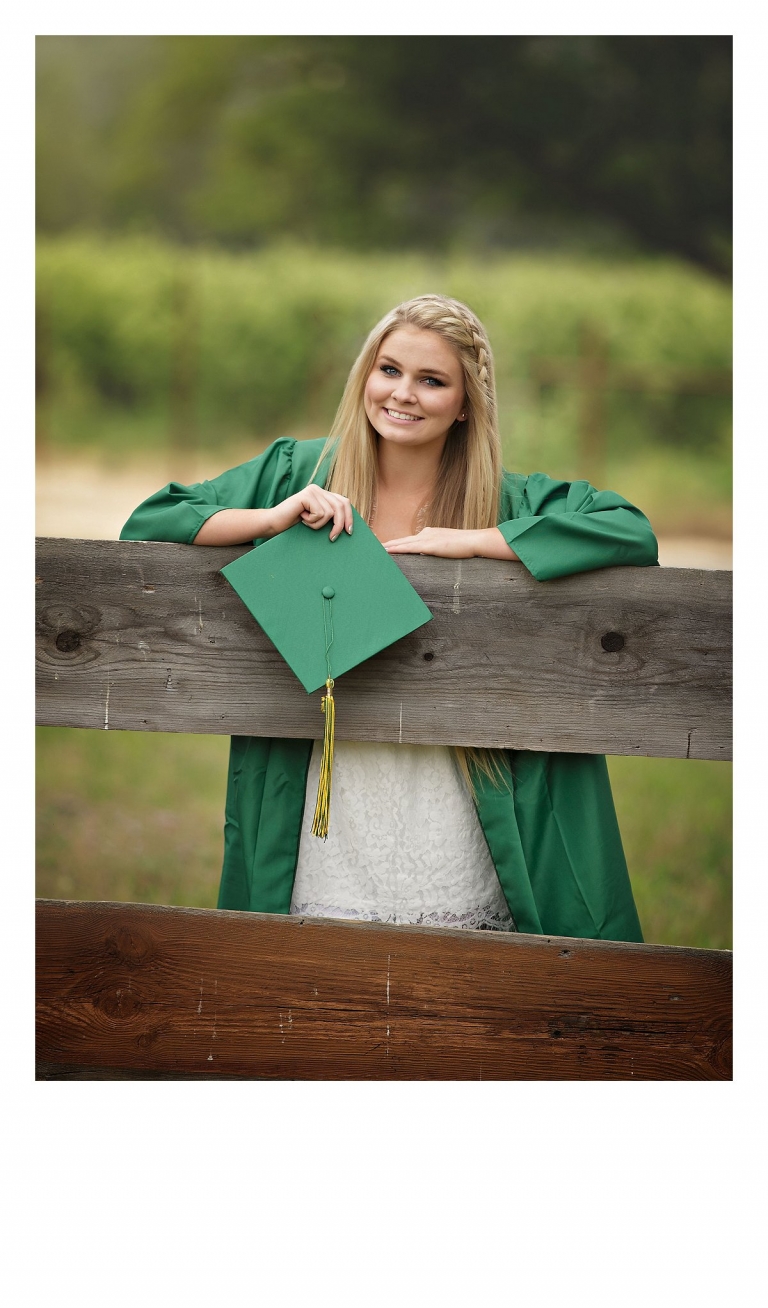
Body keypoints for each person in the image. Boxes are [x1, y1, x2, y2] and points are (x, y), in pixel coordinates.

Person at [121, 294, 658, 942]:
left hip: (454, 789)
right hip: (328, 786)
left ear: (465, 404)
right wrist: (269, 519)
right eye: (389, 370)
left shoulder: (505, 497)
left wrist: (482, 540)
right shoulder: (299, 470)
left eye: (432, 380)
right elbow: (149, 521)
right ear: (365, 377)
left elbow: (629, 529)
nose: (403, 394)